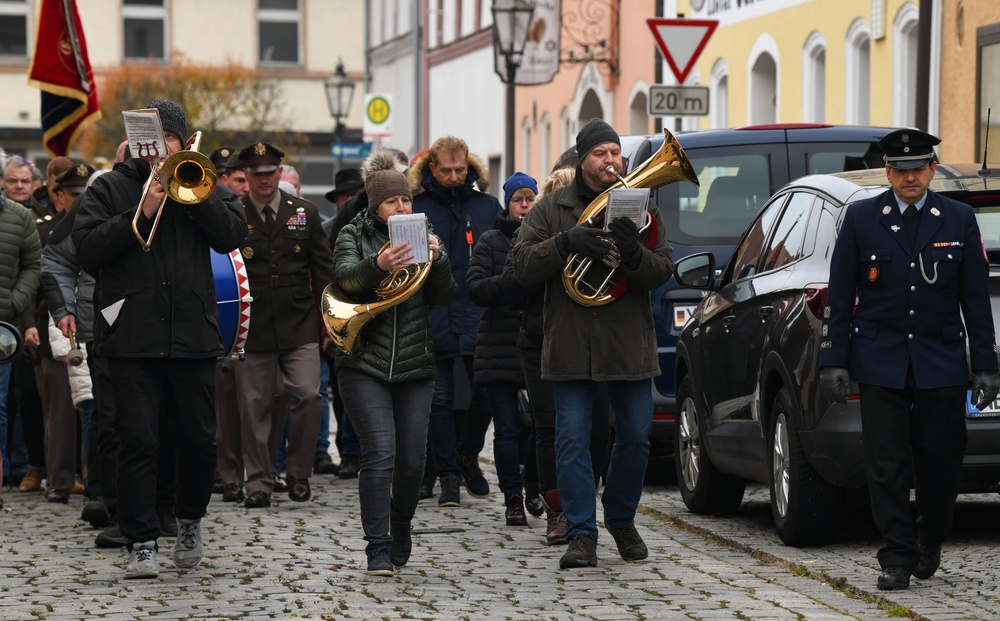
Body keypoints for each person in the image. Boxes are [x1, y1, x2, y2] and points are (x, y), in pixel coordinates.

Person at [819, 128, 1000, 591]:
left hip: (939, 357)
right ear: (888, 173)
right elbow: (841, 295)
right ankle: (897, 554)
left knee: (942, 458)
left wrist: (985, 364)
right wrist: (834, 360)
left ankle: (931, 536)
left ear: (932, 170)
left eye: (917, 168)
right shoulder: (861, 218)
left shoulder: (957, 218)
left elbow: (976, 301)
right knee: (886, 462)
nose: (909, 177)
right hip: (880, 358)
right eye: (900, 170)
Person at [74, 99, 247, 579]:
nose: (159, 146)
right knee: (138, 441)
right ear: (134, 139)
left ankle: (189, 519)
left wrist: (195, 191)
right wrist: (144, 205)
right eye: (150, 136)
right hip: (131, 335)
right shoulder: (109, 187)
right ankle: (141, 539)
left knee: (198, 440)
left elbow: (231, 235)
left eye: (168, 137)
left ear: (180, 141)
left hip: (191, 334)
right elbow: (87, 251)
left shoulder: (200, 178)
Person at [512, 117, 674, 569]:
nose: (611, 161)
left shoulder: (640, 205)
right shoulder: (550, 209)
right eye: (601, 154)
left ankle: (621, 519)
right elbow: (522, 266)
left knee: (638, 437)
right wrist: (565, 243)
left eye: (615, 153)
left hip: (627, 342)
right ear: (583, 159)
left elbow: (663, 269)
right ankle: (582, 533)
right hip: (569, 341)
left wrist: (634, 253)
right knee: (571, 440)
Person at [332, 148, 457, 576]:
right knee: (380, 453)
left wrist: (438, 261)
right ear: (375, 205)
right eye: (392, 202)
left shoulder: (424, 231)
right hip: (363, 359)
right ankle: (378, 546)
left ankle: (400, 522)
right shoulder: (353, 233)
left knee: (411, 461)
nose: (402, 207)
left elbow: (443, 297)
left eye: (405, 200)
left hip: (415, 362)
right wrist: (377, 264)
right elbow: (345, 279)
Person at [234, 141, 336, 509]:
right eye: (256, 173)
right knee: (254, 406)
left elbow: (323, 271)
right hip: (252, 324)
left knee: (308, 394)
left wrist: (331, 324)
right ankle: (259, 481)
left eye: (270, 172)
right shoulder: (233, 212)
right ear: (246, 176)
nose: (264, 179)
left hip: (299, 323)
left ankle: (298, 472)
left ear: (280, 172)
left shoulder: (304, 213)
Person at [409, 136, 501, 506]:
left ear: (469, 167)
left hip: (479, 316)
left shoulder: (487, 206)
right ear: (432, 169)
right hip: (434, 316)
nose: (453, 177)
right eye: (446, 170)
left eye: (460, 170)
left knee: (487, 393)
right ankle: (448, 475)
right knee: (440, 402)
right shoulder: (417, 208)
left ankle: (466, 455)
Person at [466, 171, 537, 526]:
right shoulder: (490, 241)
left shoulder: (544, 237)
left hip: (536, 347)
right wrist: (510, 283)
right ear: (508, 204)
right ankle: (512, 499)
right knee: (507, 428)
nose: (524, 206)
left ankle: (534, 487)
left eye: (530, 199)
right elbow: (475, 288)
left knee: (541, 427)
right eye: (518, 200)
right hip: (497, 348)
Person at [0, 148, 41, 510]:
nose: (17, 186)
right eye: (12, 180)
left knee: (8, 402)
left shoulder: (21, 217)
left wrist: (13, 302)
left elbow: (34, 265)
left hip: (8, 325)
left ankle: (9, 471)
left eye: (23, 180)